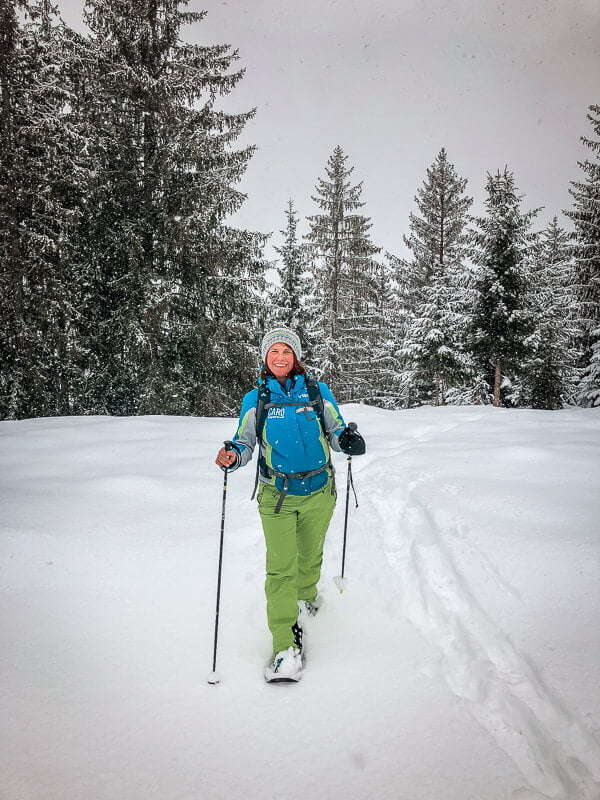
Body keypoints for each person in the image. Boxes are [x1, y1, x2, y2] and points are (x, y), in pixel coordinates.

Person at [215, 327, 364, 682]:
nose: (280, 357)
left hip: (319, 491)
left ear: (295, 356)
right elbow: (245, 443)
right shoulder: (256, 399)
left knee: (310, 557)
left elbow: (335, 431)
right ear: (265, 358)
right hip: (276, 496)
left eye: (286, 351)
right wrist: (232, 457)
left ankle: (307, 597)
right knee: (281, 569)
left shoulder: (317, 392)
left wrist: (348, 440)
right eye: (273, 352)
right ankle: (285, 644)